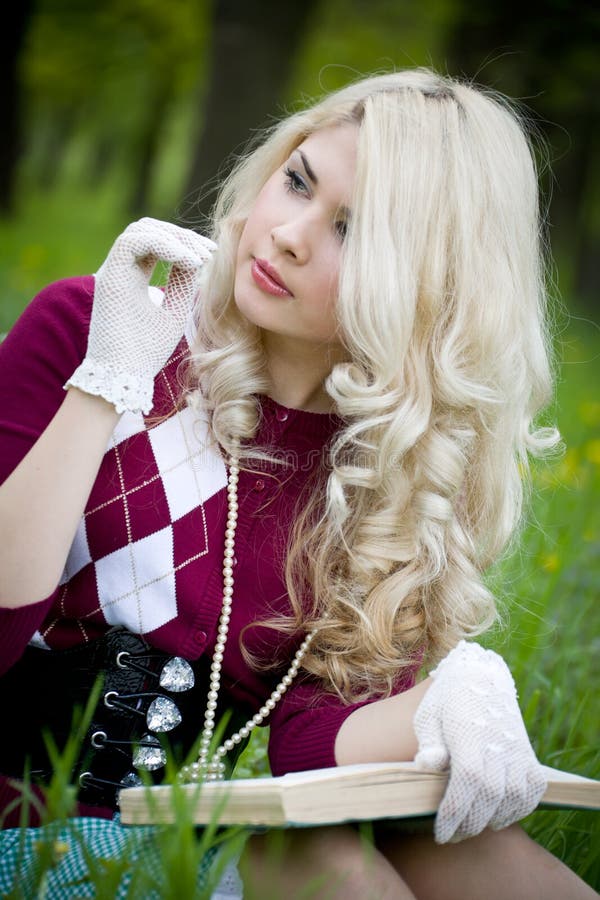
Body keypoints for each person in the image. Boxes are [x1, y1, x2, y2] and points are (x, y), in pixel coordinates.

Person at [0, 67, 595, 899]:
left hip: (174, 842)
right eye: (298, 183)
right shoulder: (93, 328)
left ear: (423, 291)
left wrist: (444, 703)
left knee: (424, 851)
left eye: (350, 229)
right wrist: (108, 379)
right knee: (333, 868)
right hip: (18, 837)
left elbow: (307, 745)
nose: (287, 234)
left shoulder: (392, 468)